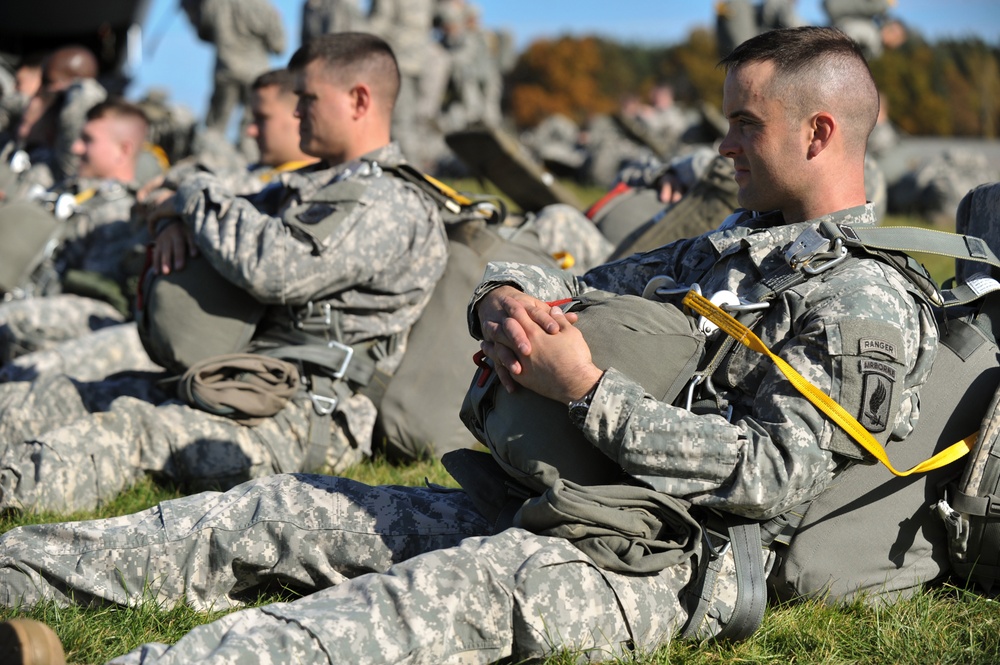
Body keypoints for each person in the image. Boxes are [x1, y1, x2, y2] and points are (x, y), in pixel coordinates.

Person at [0, 26, 940, 664]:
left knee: (393, 613)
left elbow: (773, 476)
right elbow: (574, 274)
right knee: (278, 511)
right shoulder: (731, 246)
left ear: (819, 132)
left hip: (658, 563)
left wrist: (586, 391)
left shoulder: (866, 299)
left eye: (746, 125)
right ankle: (25, 572)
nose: (723, 148)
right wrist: (503, 290)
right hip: (566, 496)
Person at [0, 33, 447, 514]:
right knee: (58, 399)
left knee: (127, 432)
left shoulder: (392, 203)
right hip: (239, 379)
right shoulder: (314, 184)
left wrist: (192, 202)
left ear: (359, 99)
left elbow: (274, 268)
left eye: (309, 99)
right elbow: (189, 197)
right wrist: (176, 216)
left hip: (303, 413)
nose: (297, 113)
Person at [0, 69, 318, 383]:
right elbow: (155, 191)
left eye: (261, 118)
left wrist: (181, 210)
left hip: (202, 335)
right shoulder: (241, 173)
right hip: (148, 312)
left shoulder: (307, 195)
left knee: (28, 382)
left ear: (296, 116)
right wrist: (170, 220)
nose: (249, 131)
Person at [0, 100, 150, 365]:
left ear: (123, 150)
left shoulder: (120, 216)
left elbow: (92, 301)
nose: (75, 147)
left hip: (46, 332)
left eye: (88, 140)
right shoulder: (73, 190)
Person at [181, 0, 286, 154]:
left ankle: (208, 162)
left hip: (226, 70)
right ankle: (250, 164)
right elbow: (278, 46)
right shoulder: (265, 8)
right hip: (256, 75)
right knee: (252, 126)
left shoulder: (215, 4)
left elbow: (203, 34)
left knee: (215, 128)